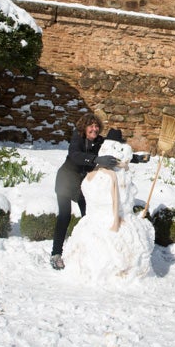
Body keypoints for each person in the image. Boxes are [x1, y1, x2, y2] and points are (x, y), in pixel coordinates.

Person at [50, 113, 123, 269]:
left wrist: (136, 158)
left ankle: (88, 252)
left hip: (82, 185)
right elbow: (75, 155)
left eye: (96, 126)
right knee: (64, 216)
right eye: (91, 126)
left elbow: (115, 150)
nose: (94, 129)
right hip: (65, 180)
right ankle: (56, 254)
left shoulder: (99, 142)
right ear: (84, 127)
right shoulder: (77, 138)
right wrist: (96, 160)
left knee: (88, 217)